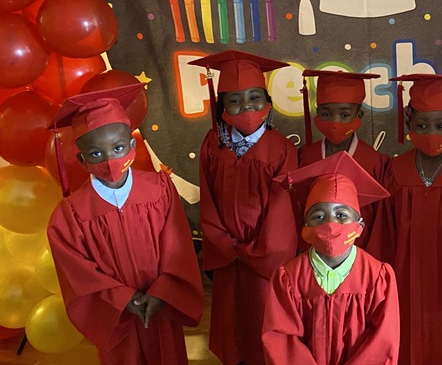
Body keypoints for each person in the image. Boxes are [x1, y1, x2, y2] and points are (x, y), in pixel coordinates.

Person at [46, 84, 204, 365]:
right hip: (116, 314)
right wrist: (123, 299)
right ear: (81, 159)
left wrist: (162, 291)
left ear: (132, 146)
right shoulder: (71, 213)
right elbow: (78, 272)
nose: (110, 160)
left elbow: (177, 246)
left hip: (161, 304)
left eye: (118, 148)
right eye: (96, 154)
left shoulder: (159, 189)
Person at [189, 49, 299, 365]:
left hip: (263, 256)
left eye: (254, 98)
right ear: (222, 106)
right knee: (231, 320)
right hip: (227, 253)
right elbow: (208, 197)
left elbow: (282, 209)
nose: (246, 106)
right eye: (235, 100)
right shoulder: (213, 143)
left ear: (267, 103)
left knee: (264, 316)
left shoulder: (282, 148)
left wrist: (260, 250)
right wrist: (223, 243)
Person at [369, 74, 442, 365]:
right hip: (403, 276)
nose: (431, 133)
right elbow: (384, 232)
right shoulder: (394, 170)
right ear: (409, 124)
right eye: (421, 125)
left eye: (440, 126)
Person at [263, 152, 400, 365]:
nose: (330, 224)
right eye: (318, 216)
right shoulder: (288, 278)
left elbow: (383, 341)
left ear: (359, 225)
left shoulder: (378, 277)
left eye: (342, 215)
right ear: (305, 226)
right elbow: (281, 339)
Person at [298, 69, 389, 248]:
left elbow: (380, 222)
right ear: (317, 113)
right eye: (326, 114)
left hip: (360, 250)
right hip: (312, 250)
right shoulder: (305, 156)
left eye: (345, 115)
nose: (335, 122)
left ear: (359, 116)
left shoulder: (374, 162)